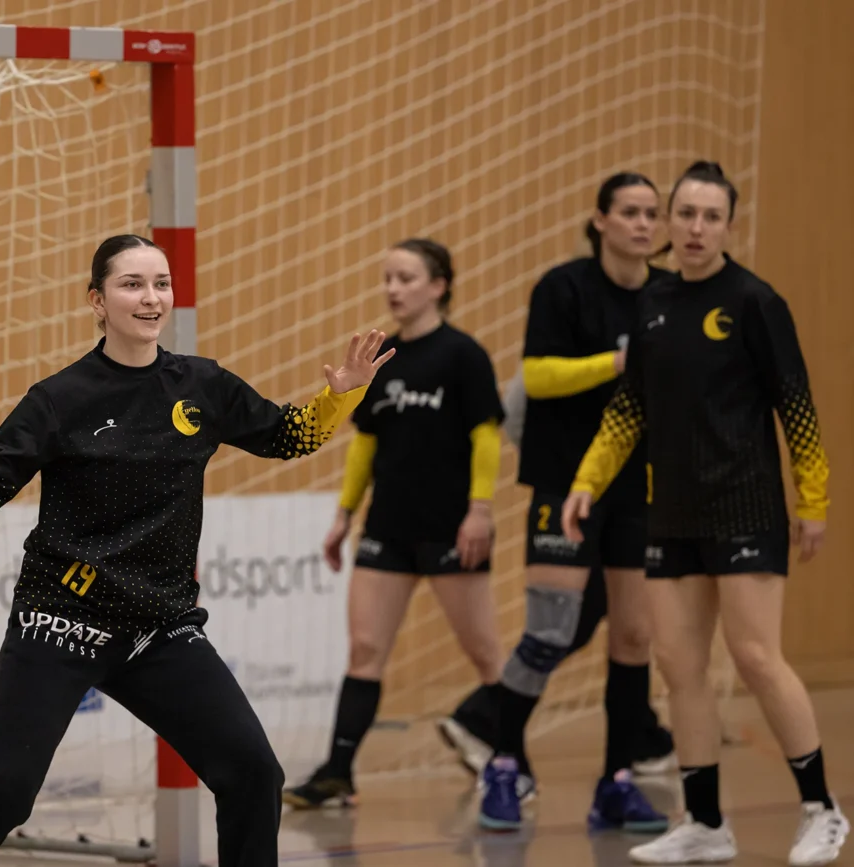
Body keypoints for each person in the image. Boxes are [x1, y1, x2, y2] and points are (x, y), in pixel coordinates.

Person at [0, 234, 394, 867]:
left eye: (161, 284)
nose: (151, 298)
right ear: (97, 301)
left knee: (254, 772)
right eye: (132, 285)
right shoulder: (58, 398)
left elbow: (290, 438)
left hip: (160, 626)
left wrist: (344, 393)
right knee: (4, 792)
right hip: (62, 619)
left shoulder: (202, 384)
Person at [562, 161, 847, 866]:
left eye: (710, 217)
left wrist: (813, 500)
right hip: (672, 512)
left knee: (755, 656)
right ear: (669, 221)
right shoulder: (654, 303)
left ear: (728, 225)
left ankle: (823, 808)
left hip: (746, 507)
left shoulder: (755, 302)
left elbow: (797, 407)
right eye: (685, 214)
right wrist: (587, 480)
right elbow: (630, 406)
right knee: (679, 665)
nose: (695, 228)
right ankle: (706, 823)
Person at [280, 239, 507, 810]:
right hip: (388, 527)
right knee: (364, 649)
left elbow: (486, 436)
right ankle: (337, 773)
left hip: (452, 527)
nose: (393, 288)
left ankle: (511, 763)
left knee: (485, 653)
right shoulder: (383, 358)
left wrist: (480, 510)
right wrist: (343, 515)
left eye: (406, 278)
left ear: (439, 286)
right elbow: (367, 443)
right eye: (388, 278)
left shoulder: (464, 355)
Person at [479, 172, 670, 833]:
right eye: (630, 211)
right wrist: (616, 363)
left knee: (635, 636)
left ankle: (617, 781)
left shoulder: (667, 295)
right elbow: (536, 377)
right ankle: (503, 763)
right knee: (549, 632)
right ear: (600, 220)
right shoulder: (563, 288)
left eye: (651, 213)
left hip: (639, 487)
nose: (643, 224)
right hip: (564, 483)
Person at [499, 364, 675, 778]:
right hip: (567, 492)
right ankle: (498, 747)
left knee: (633, 636)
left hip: (635, 501)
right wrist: (553, 463)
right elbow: (519, 404)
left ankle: (621, 773)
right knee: (551, 632)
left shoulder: (658, 335)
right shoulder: (564, 327)